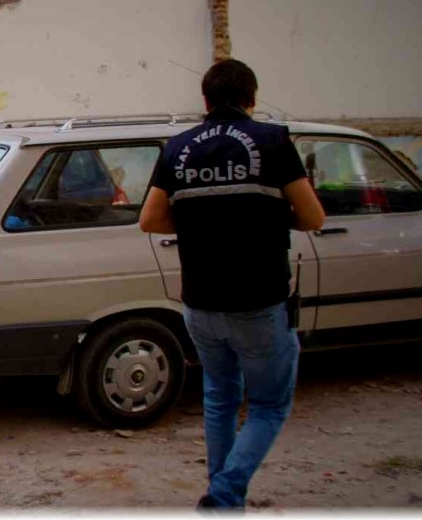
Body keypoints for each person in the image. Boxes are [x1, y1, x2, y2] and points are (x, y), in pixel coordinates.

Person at [138, 59, 325, 509]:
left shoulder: (178, 148)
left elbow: (149, 220)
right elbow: (314, 216)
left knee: (220, 398)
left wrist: (201, 221)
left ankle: (225, 502)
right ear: (252, 98)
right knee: (267, 406)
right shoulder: (273, 140)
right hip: (258, 302)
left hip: (200, 303)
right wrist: (269, 215)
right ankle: (224, 495)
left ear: (205, 100)